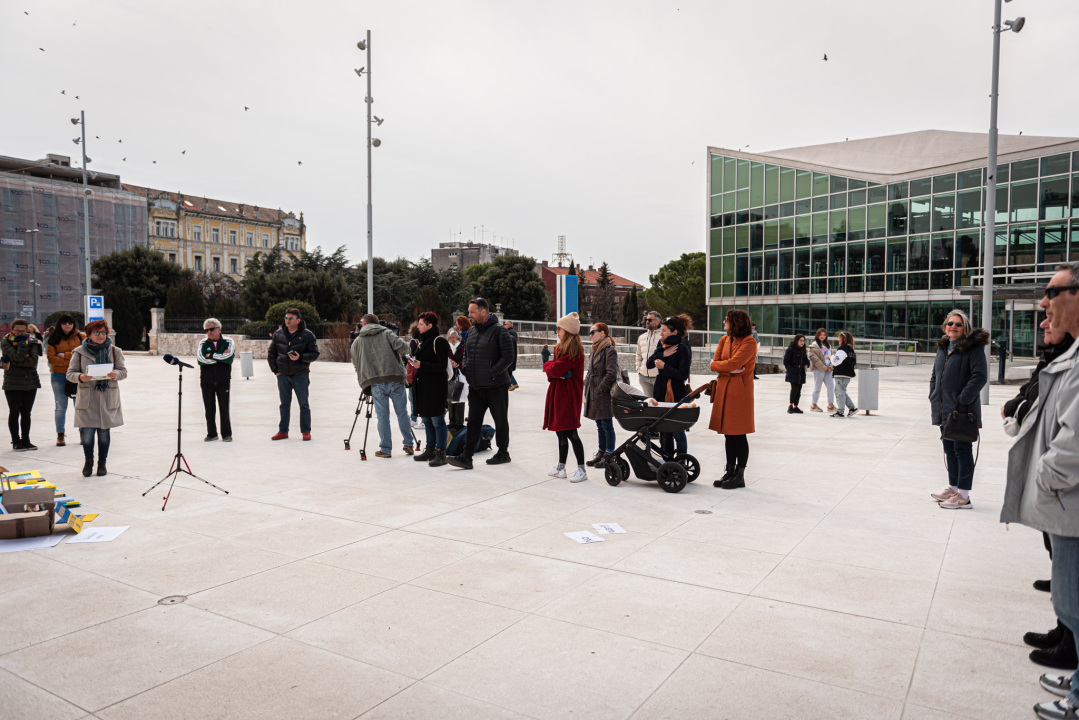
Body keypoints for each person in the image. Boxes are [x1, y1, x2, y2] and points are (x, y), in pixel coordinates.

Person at [998, 262, 1079, 719]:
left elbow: (1072, 442)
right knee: (1069, 599)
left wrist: (1045, 481)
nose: (1044, 303)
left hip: (1067, 497)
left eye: (1052, 292)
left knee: (1073, 599)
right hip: (1063, 499)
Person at [1010, 316, 1077, 673]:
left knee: (1072, 580)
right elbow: (1033, 392)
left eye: (1051, 317)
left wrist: (1045, 476)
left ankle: (1070, 644)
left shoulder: (1070, 361)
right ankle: (1064, 632)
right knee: (1061, 562)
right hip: (1053, 478)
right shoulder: (1053, 356)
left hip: (1062, 483)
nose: (1043, 322)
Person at [928, 309, 988, 510]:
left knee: (962, 450)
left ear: (966, 328)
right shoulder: (944, 347)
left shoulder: (973, 349)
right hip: (943, 408)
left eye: (958, 324)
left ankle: (964, 496)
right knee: (949, 449)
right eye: (950, 323)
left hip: (962, 410)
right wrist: (933, 393)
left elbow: (979, 376)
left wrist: (963, 400)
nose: (953, 327)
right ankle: (953, 489)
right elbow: (935, 374)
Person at [447, 298, 514, 469]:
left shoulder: (500, 331)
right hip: (476, 386)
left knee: (500, 420)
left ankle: (503, 453)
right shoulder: (471, 332)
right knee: (473, 422)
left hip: (496, 385)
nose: (469, 315)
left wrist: (491, 372)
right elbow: (465, 355)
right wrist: (467, 369)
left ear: (483, 311)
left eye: (472, 312)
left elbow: (508, 358)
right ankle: (466, 457)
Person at [66, 319, 126, 476]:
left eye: (103, 332)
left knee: (104, 435)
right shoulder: (79, 352)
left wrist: (116, 374)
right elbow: (70, 374)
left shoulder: (114, 351)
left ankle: (102, 463)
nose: (101, 336)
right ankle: (88, 461)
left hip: (107, 397)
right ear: (89, 334)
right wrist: (80, 377)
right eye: (97, 333)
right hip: (88, 398)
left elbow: (123, 371)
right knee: (87, 436)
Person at [351, 313, 414, 457]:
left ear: (365, 324)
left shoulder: (357, 341)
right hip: (395, 379)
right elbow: (406, 349)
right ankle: (408, 443)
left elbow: (356, 363)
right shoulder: (387, 333)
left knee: (382, 417)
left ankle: (385, 449)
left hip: (375, 382)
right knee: (402, 413)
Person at [708, 309, 756, 489]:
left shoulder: (749, 342)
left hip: (739, 393)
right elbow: (714, 363)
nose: (723, 322)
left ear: (736, 322)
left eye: (726, 320)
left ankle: (740, 475)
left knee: (739, 434)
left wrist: (723, 367)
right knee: (728, 434)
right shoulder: (724, 339)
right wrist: (726, 369)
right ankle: (729, 470)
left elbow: (735, 363)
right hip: (724, 391)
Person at [543, 313, 587, 482]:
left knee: (571, 431)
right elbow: (554, 371)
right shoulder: (559, 348)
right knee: (560, 431)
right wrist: (552, 369)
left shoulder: (574, 350)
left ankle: (581, 469)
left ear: (567, 330)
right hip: (558, 393)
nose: (557, 331)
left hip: (568, 395)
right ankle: (561, 467)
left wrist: (550, 367)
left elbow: (554, 369)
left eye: (559, 328)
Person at [268, 307, 320, 441]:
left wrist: (300, 357)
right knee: (284, 404)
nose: (287, 321)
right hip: (283, 375)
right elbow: (271, 353)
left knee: (303, 404)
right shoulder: (278, 334)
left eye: (291, 318)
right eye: (286, 318)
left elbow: (315, 354)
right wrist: (276, 371)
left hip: (300, 374)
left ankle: (306, 431)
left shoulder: (308, 335)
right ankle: (283, 431)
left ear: (298, 320)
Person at [407, 312, 452, 466]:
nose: (418, 326)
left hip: (435, 388)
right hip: (423, 387)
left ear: (430, 325)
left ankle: (441, 453)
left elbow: (441, 366)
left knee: (437, 420)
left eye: (421, 324)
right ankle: (430, 449)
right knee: (426, 419)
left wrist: (422, 365)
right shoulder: (423, 340)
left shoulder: (439, 341)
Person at [647, 314, 693, 460]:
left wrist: (664, 366)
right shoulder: (662, 345)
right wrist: (663, 353)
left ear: (674, 332)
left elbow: (682, 375)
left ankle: (681, 462)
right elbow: (649, 364)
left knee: (678, 432)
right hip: (660, 392)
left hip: (675, 394)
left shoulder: (683, 348)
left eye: (664, 330)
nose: (661, 333)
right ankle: (667, 461)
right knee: (665, 431)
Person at [2, 319, 43, 451]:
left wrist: (17, 358)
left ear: (28, 330)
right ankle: (16, 441)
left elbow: (32, 361)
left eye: (23, 331)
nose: (20, 333)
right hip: (12, 382)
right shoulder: (5, 342)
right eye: (17, 330)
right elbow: (20, 357)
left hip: (30, 381)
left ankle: (26, 440)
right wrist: (21, 344)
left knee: (26, 413)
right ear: (12, 330)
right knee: (14, 412)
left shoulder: (33, 341)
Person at [584, 322, 619, 468]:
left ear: (603, 333)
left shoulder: (609, 350)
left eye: (593, 332)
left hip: (602, 393)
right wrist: (586, 385)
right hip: (593, 391)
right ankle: (601, 452)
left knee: (606, 424)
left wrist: (600, 388)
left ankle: (609, 455)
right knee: (599, 424)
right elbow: (590, 371)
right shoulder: (594, 351)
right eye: (590, 332)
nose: (590, 335)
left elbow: (611, 373)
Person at [46, 314, 84, 446]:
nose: (67, 324)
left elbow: (83, 356)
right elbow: (51, 359)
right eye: (64, 322)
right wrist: (73, 359)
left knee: (79, 406)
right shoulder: (53, 337)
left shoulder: (81, 337)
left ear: (73, 324)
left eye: (70, 322)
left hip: (77, 376)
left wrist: (65, 355)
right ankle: (60, 435)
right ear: (59, 324)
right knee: (60, 406)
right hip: (59, 376)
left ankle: (82, 433)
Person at [197, 318, 235, 442]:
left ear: (219, 329)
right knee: (209, 408)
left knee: (224, 407)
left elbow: (229, 357)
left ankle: (226, 434)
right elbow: (201, 360)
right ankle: (211, 433)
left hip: (223, 379)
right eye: (206, 330)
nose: (209, 332)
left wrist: (212, 355)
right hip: (206, 380)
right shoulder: (203, 343)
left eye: (211, 329)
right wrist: (220, 356)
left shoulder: (228, 341)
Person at [830, 331, 859, 418]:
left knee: (839, 392)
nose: (838, 339)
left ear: (843, 339)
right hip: (847, 374)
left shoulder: (842, 349)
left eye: (839, 338)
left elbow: (836, 362)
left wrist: (831, 357)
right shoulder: (851, 350)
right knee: (842, 392)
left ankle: (840, 412)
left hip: (841, 374)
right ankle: (852, 408)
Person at [807, 328, 835, 413]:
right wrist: (824, 368)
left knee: (831, 386)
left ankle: (830, 405)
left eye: (824, 335)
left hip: (828, 369)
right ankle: (813, 405)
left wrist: (831, 366)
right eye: (821, 335)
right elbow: (814, 359)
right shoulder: (813, 346)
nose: (822, 336)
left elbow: (831, 356)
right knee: (817, 387)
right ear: (817, 335)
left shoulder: (828, 344)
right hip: (818, 369)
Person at [635, 311, 662, 397]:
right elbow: (638, 355)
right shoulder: (642, 337)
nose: (647, 321)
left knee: (660, 404)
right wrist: (638, 369)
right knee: (650, 404)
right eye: (646, 319)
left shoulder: (663, 336)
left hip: (658, 377)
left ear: (657, 321)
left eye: (650, 320)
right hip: (644, 377)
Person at [783, 334, 810, 414]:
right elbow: (786, 361)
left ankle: (796, 406)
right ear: (796, 340)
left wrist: (807, 364)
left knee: (799, 390)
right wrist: (791, 369)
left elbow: (806, 359)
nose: (802, 342)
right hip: (793, 372)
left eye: (803, 341)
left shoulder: (803, 349)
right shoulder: (791, 349)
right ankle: (790, 405)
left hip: (801, 372)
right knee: (794, 389)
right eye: (800, 340)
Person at [407, 322, 423, 429]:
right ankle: (422, 418)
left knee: (412, 397)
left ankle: (413, 418)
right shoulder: (423, 340)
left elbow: (411, 354)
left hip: (413, 372)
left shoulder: (413, 342)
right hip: (422, 371)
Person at [503, 320, 520, 391]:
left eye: (505, 324)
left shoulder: (509, 333)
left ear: (509, 325)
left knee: (507, 371)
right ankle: (511, 384)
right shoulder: (513, 332)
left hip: (509, 354)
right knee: (508, 371)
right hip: (512, 354)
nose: (504, 325)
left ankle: (512, 384)